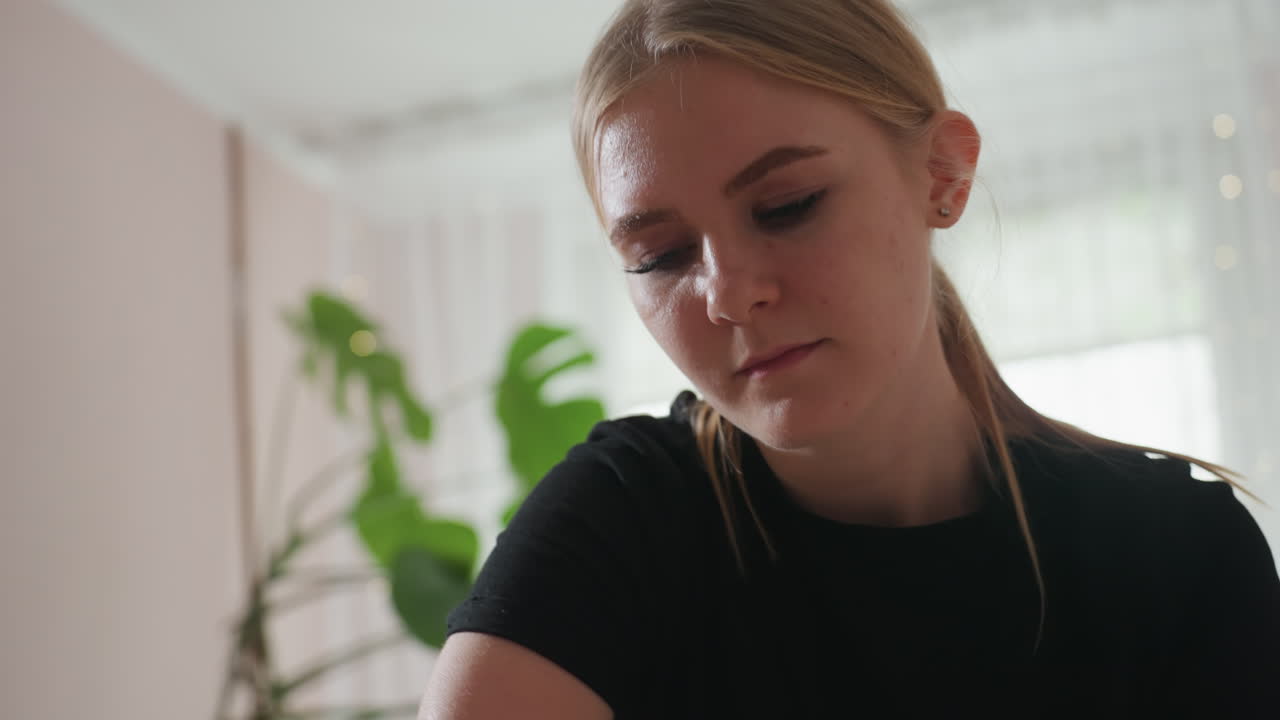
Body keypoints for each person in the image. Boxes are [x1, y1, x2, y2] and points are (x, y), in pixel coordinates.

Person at [418, 0, 1280, 717]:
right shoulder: (619, 524)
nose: (726, 294)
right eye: (661, 257)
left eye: (787, 205)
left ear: (942, 173)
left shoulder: (1178, 554)